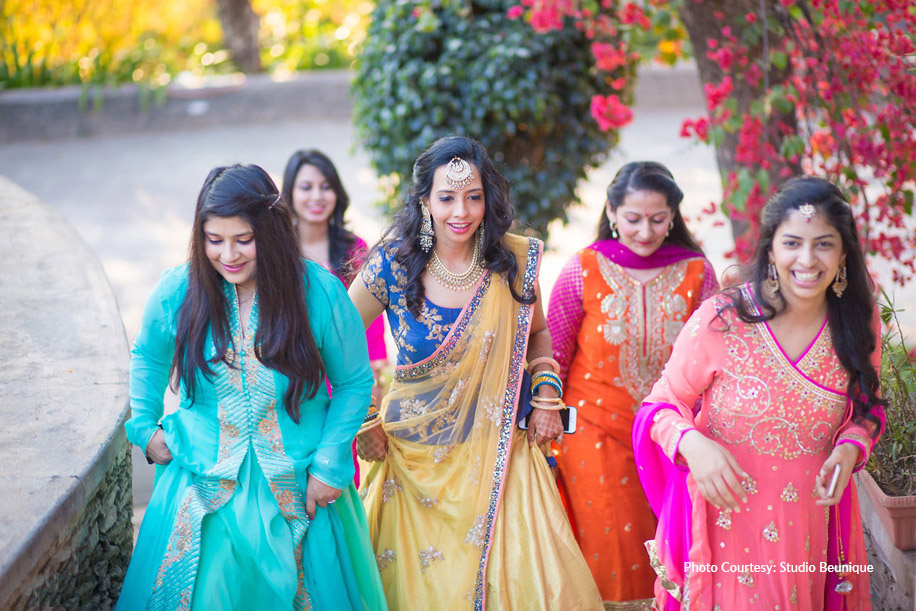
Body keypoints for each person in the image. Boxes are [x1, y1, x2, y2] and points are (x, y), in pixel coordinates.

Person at [347, 136, 603, 609]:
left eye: (474, 196)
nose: (461, 212)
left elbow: (539, 334)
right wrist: (364, 419)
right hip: (415, 464)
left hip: (502, 454)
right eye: (446, 197)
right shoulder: (393, 265)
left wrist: (547, 397)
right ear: (424, 201)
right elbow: (337, 340)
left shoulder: (512, 263)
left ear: (489, 199)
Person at [117, 164, 386, 610]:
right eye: (214, 240)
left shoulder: (317, 292)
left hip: (302, 487)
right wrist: (144, 427)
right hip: (200, 485)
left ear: (271, 231)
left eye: (244, 239)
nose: (229, 255)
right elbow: (147, 355)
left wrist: (328, 463)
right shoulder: (179, 290)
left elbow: (354, 382)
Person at [633, 176, 885, 610]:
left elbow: (868, 409)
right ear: (770, 249)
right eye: (792, 243)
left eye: (824, 244)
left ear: (844, 253)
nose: (807, 259)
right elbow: (659, 406)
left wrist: (850, 449)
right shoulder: (723, 318)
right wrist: (692, 444)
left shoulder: (857, 325)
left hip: (807, 531)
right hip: (721, 529)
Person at [545, 161, 719, 607]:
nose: (645, 231)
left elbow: (718, 360)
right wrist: (546, 428)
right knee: (610, 549)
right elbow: (552, 357)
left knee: (670, 544)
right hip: (593, 433)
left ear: (673, 216)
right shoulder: (583, 269)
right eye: (633, 218)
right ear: (611, 212)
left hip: (673, 437)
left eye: (658, 219)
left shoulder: (697, 272)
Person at [282, 149, 389, 485]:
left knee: (343, 477)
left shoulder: (355, 249)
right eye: (306, 187)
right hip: (293, 382)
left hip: (347, 383)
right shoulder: (278, 251)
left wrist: (374, 384)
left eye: (325, 186)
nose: (317, 196)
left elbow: (371, 325)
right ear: (290, 193)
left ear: (337, 193)